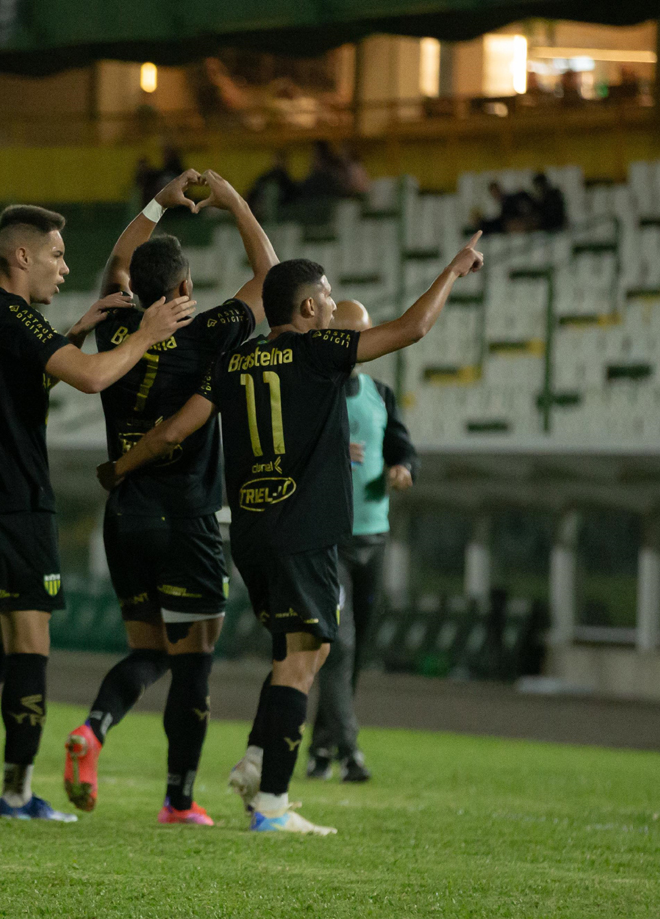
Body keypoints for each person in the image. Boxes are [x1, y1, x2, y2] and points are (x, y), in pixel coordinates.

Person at [102, 232, 485, 834]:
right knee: (301, 661)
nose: (333, 306)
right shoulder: (318, 351)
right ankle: (272, 804)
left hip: (251, 536)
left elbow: (173, 430)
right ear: (307, 307)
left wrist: (120, 467)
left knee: (305, 649)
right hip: (303, 532)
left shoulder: (233, 361)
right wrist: (454, 271)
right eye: (327, 298)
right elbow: (411, 329)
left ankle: (258, 759)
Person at [0, 204, 196, 821]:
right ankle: (17, 793)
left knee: (6, 647)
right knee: (30, 648)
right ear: (21, 255)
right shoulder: (12, 315)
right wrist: (146, 335)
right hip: (14, 499)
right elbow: (91, 379)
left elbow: (21, 382)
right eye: (56, 255)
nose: (65, 267)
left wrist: (72, 332)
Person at [60, 168, 276, 824]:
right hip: (186, 516)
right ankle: (178, 799)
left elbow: (117, 263)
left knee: (148, 651)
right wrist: (233, 200)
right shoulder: (211, 331)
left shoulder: (115, 326)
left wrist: (157, 201)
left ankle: (93, 728)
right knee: (194, 661)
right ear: (184, 288)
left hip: (126, 516)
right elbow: (270, 277)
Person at [306, 299, 417, 783]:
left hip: (375, 536)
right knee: (340, 644)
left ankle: (321, 748)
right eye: (346, 335)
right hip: (330, 539)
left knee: (356, 650)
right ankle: (350, 752)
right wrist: (329, 449)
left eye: (361, 336)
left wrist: (403, 467)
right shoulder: (313, 392)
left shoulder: (380, 394)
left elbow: (401, 445)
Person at [247, 152, 297, 222]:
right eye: (276, 160)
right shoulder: (265, 178)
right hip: (260, 214)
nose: (277, 163)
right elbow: (252, 193)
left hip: (279, 215)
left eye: (280, 161)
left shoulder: (287, 181)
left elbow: (292, 198)